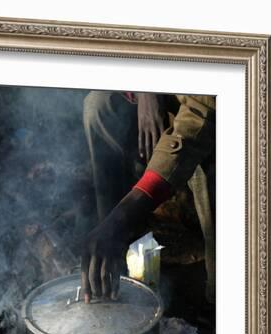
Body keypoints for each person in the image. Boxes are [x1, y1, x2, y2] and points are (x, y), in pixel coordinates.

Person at [81, 91, 216, 303]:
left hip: (207, 107)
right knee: (98, 108)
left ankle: (220, 292)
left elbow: (201, 116)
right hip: (160, 91)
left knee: (212, 150)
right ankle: (111, 251)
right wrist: (145, 88)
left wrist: (128, 211)